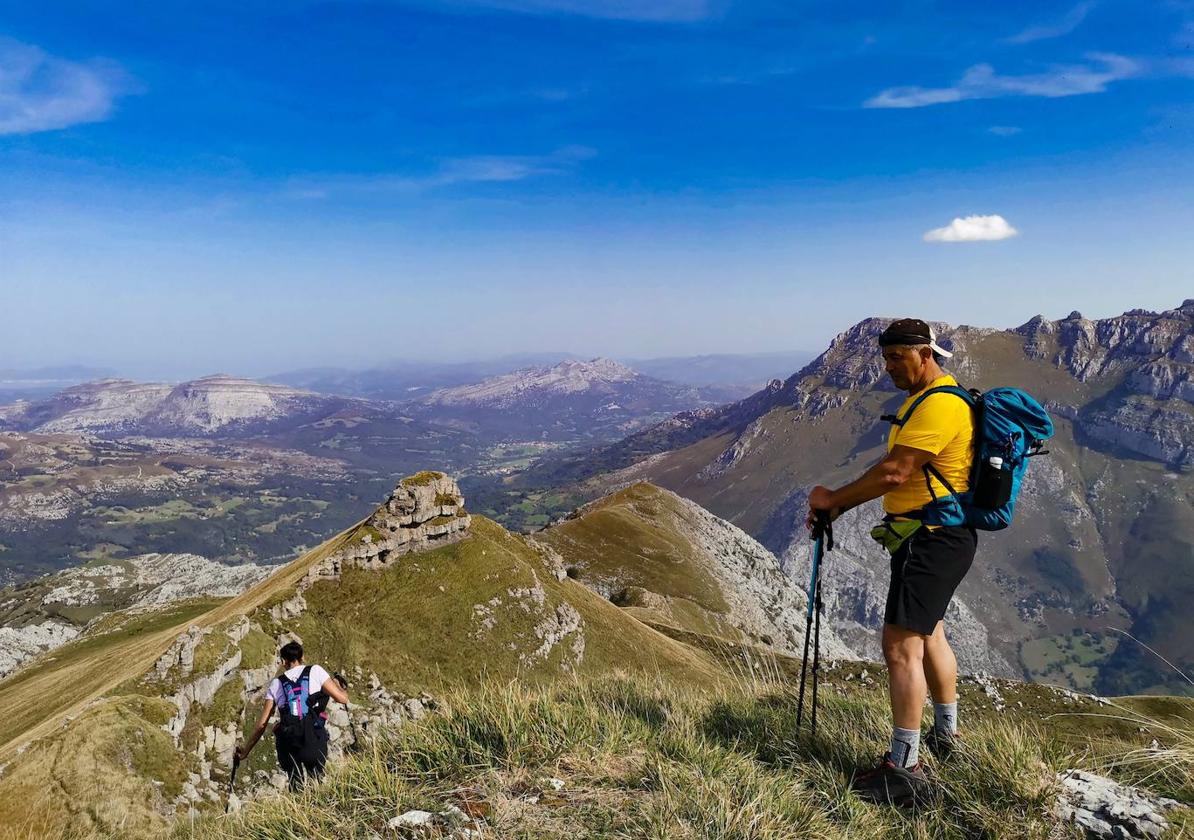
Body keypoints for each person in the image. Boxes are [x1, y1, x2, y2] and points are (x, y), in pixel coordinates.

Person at [806, 318, 975, 806]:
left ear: (926, 353)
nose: (888, 368)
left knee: (900, 647)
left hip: (932, 539)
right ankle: (947, 737)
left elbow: (896, 472)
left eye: (897, 358)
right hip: (935, 537)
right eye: (884, 359)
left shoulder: (940, 404)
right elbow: (894, 468)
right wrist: (836, 504)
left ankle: (904, 769)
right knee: (930, 633)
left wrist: (833, 499)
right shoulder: (924, 400)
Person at [234, 640, 349, 790]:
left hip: (289, 745)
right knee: (318, 784)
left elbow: (261, 725)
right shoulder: (315, 670)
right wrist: (341, 687)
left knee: (296, 787)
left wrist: (245, 752)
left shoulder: (276, 684)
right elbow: (342, 699)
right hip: (313, 740)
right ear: (302, 657)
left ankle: (296, 804)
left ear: (283, 661)